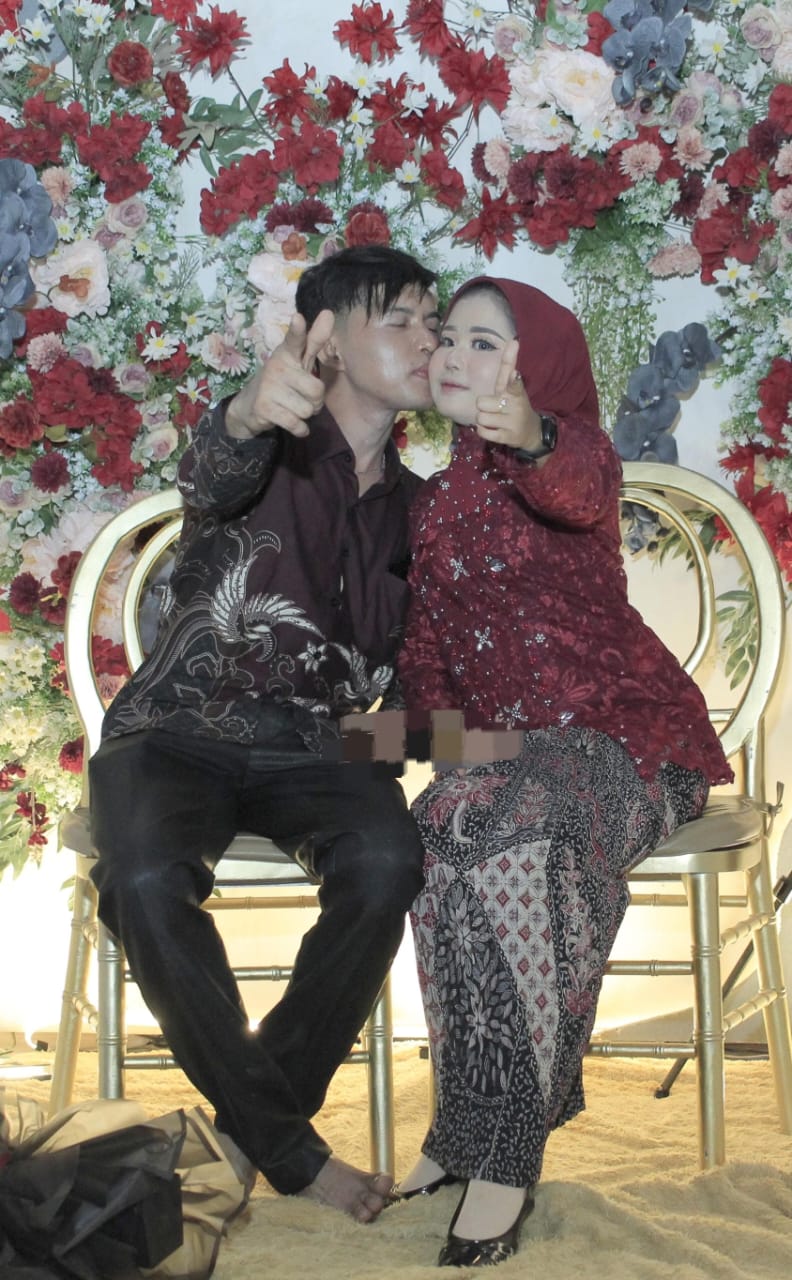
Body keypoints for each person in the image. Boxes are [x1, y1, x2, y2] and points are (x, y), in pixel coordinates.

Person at [87, 244, 441, 1223]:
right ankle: (289, 1149)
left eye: (434, 319)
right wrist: (248, 409)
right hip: (177, 727)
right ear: (327, 341)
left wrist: (495, 750)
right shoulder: (263, 442)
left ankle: (241, 1139)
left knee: (389, 860)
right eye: (399, 318)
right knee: (142, 879)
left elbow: (418, 697)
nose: (427, 338)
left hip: (330, 748)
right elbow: (212, 470)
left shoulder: (427, 511)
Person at [392, 277, 732, 1267]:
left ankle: (506, 1152)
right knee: (438, 826)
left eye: (486, 342)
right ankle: (463, 1126)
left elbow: (572, 487)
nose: (457, 355)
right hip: (511, 754)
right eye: (450, 337)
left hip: (630, 741)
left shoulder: (576, 451)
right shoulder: (435, 503)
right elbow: (429, 659)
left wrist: (532, 431)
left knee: (521, 830)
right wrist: (378, 749)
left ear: (535, 364)